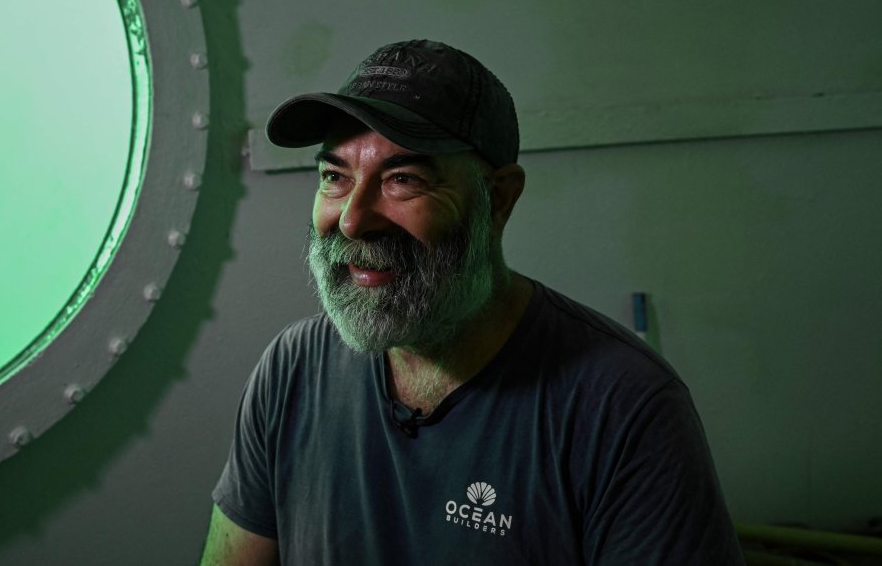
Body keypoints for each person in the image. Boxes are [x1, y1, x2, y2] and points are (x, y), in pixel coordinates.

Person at [201, 40, 744, 565]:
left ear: (499, 198)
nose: (351, 218)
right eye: (335, 176)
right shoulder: (291, 371)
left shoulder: (623, 406)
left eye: (403, 179)